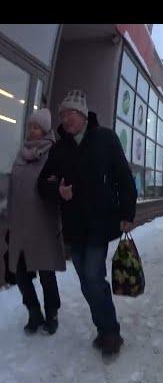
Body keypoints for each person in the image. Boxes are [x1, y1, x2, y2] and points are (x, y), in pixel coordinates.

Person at [38, 90, 137, 357]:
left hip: (100, 222)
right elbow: (43, 182)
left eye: (70, 113)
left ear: (82, 115)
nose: (65, 118)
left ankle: (110, 333)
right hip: (73, 225)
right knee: (86, 280)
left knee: (93, 276)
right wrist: (57, 191)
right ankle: (103, 327)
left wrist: (127, 213)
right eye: (61, 114)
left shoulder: (105, 138)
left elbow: (124, 179)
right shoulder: (60, 148)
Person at [7, 109, 66, 335]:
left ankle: (52, 314)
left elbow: (57, 186)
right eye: (30, 126)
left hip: (43, 223)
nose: (32, 131)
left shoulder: (53, 154)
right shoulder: (21, 154)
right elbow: (12, 185)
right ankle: (33, 312)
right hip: (20, 224)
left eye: (36, 127)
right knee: (21, 274)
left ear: (45, 130)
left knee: (46, 273)